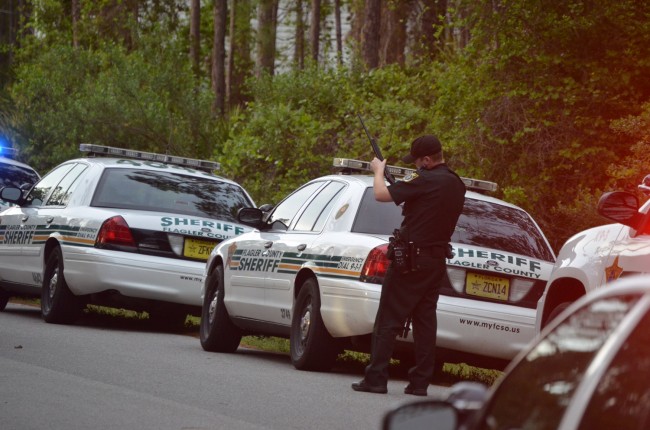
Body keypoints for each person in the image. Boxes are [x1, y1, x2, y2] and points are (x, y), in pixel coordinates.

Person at [351, 134, 466, 396]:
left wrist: (379, 171)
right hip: (436, 261)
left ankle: (376, 377)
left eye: (417, 161)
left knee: (388, 318)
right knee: (425, 322)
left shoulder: (423, 180)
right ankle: (419, 383)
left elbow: (381, 194)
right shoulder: (457, 184)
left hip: (411, 261)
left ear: (427, 160)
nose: (415, 166)